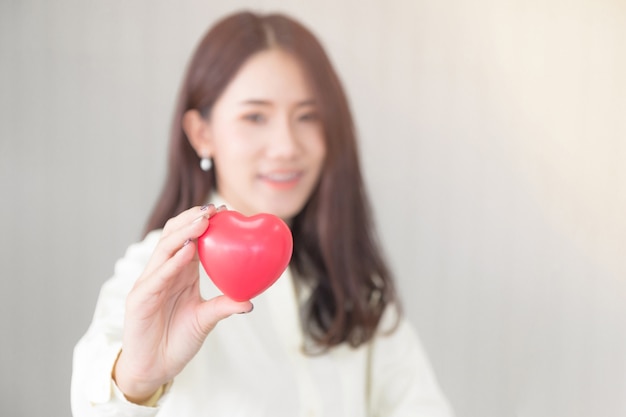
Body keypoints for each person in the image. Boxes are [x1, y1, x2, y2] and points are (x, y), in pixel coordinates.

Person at [71, 10, 454, 417]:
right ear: (203, 134)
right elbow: (93, 394)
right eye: (255, 116)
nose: (287, 145)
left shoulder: (352, 277)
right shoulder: (163, 268)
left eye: (308, 116)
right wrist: (137, 378)